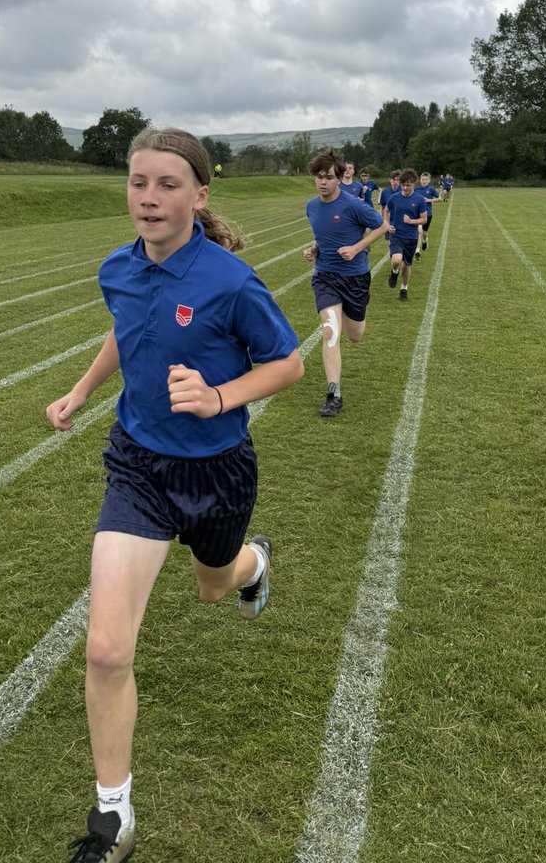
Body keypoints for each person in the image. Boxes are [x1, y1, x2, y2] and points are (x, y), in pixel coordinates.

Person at [46, 128, 303, 863]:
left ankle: (253, 562)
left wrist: (219, 396)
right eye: (138, 183)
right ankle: (114, 817)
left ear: (199, 195)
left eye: (166, 184)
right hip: (138, 469)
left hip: (218, 473)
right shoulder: (116, 269)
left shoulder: (229, 281)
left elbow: (285, 364)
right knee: (105, 647)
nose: (149, 198)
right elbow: (126, 332)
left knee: (215, 589)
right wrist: (80, 390)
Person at [304, 149, 388, 417]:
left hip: (355, 278)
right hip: (325, 276)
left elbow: (381, 227)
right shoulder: (311, 206)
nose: (323, 182)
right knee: (330, 332)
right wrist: (314, 248)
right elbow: (323, 233)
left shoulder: (353, 205)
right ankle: (334, 394)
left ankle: (357, 317)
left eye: (328, 177)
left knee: (355, 335)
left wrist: (356, 247)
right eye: (319, 177)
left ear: (339, 178)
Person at [384, 168, 427, 302]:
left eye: (408, 185)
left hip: (411, 237)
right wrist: (387, 225)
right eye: (403, 185)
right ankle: (394, 271)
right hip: (396, 235)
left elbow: (424, 219)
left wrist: (411, 221)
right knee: (396, 260)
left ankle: (404, 288)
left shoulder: (419, 200)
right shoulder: (394, 198)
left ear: (414, 183)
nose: (405, 187)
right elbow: (386, 210)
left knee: (407, 266)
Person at [415, 172, 442, 255]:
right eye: (422, 179)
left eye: (426, 180)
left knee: (424, 232)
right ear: (420, 180)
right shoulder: (416, 189)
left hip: (428, 214)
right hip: (417, 214)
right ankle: (417, 251)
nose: (424, 181)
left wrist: (429, 200)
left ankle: (425, 240)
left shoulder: (431, 189)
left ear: (429, 181)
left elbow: (440, 199)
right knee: (419, 231)